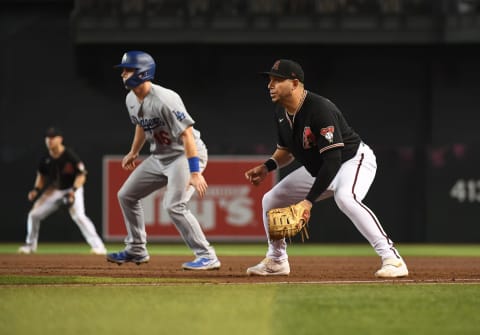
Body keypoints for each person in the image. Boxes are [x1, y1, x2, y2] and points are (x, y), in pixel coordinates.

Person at [244, 59, 408, 278]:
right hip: (322, 168)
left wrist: (307, 202)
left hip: (352, 161)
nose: (269, 85)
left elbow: (333, 160)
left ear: (294, 83)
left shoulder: (319, 109)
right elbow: (286, 151)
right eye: (269, 80)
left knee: (346, 198)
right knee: (271, 200)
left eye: (277, 80)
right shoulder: (281, 113)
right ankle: (276, 260)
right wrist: (267, 166)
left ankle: (392, 259)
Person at [106, 50, 220, 270]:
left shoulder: (165, 99)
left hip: (185, 155)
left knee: (174, 205)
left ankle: (207, 255)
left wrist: (195, 172)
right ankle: (137, 249)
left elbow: (187, 135)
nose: (123, 75)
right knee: (126, 195)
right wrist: (134, 152)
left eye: (128, 70)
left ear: (143, 72)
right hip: (160, 157)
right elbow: (141, 124)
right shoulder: (131, 98)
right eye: (123, 71)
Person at [18, 127, 107, 255]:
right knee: (34, 215)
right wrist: (36, 190)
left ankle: (99, 247)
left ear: (60, 139)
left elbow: (82, 175)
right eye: (48, 137)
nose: (50, 140)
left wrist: (74, 191)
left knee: (79, 216)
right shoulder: (45, 158)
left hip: (72, 188)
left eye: (53, 137)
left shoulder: (69, 155)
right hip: (55, 190)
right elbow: (41, 176)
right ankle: (30, 246)